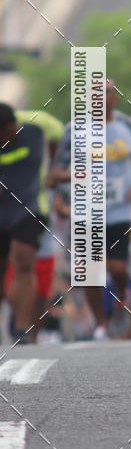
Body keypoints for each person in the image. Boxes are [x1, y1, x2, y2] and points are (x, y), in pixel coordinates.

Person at [50, 80, 131, 340]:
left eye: (105, 93)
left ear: (116, 98)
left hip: (119, 211)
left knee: (117, 268)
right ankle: (101, 324)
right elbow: (55, 172)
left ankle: (121, 300)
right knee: (91, 270)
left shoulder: (130, 127)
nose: (99, 98)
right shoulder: (74, 129)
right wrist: (70, 174)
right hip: (86, 209)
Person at [0, 104, 46, 343]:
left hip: (27, 209)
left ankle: (22, 328)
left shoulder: (33, 134)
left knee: (24, 261)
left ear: (9, 127)